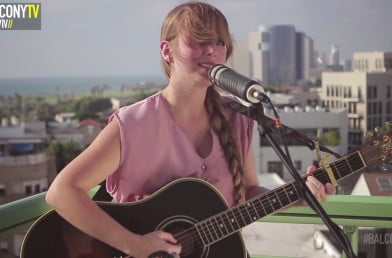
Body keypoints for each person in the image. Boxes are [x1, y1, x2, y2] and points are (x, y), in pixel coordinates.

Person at [46, 2, 336, 258]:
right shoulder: (132, 125)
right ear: (167, 50)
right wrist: (133, 245)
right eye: (198, 40)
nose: (211, 49)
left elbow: (247, 192)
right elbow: (61, 192)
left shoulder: (239, 119)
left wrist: (298, 195)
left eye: (220, 42)